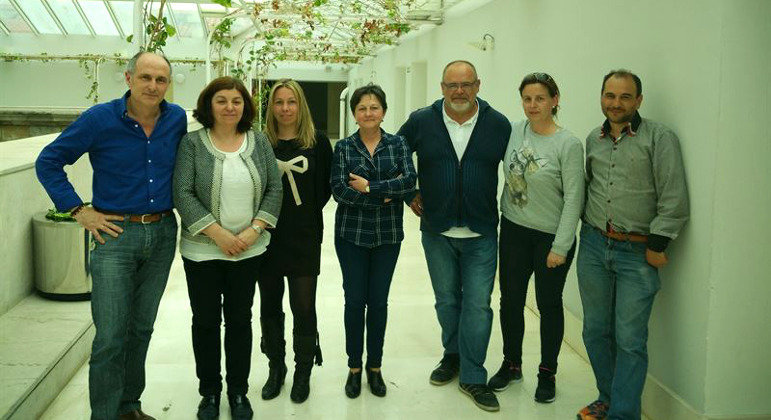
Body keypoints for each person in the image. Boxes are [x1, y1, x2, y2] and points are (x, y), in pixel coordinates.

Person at [35, 52, 187, 420]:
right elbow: (48, 161)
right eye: (146, 77)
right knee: (110, 336)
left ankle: (129, 406)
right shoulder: (100, 119)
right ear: (129, 78)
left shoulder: (176, 118)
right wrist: (78, 210)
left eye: (161, 79)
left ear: (168, 84)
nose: (153, 86)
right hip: (114, 237)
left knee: (141, 329)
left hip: (163, 232)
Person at [397, 60, 511, 412]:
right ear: (442, 87)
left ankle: (474, 375)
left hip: (481, 231)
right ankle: (453, 355)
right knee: (446, 300)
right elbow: (396, 152)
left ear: (478, 85)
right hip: (437, 228)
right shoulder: (421, 121)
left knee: (477, 305)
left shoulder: (497, 124)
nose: (458, 91)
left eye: (465, 84)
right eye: (451, 85)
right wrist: (408, 190)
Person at [576, 70, 689, 420]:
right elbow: (589, 188)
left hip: (637, 253)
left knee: (629, 340)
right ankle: (608, 398)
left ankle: (624, 414)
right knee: (595, 331)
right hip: (594, 245)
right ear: (601, 97)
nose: (616, 103)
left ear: (638, 101)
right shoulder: (593, 139)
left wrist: (658, 244)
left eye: (625, 97)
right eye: (610, 95)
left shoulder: (659, 138)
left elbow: (674, 197)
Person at [172, 76, 282, 420]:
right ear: (209, 105)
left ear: (245, 106)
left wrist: (254, 231)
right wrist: (218, 234)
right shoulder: (192, 143)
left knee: (239, 321)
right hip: (202, 252)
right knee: (205, 322)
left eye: (236, 101)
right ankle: (209, 392)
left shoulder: (259, 141)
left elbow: (274, 190)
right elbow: (182, 192)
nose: (230, 107)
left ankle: (237, 392)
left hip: (248, 250)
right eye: (222, 100)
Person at [487, 72, 585, 403]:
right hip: (514, 229)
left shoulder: (568, 144)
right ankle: (512, 364)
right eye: (527, 98)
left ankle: (547, 372)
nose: (533, 105)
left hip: (550, 237)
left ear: (555, 100)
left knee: (548, 304)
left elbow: (574, 198)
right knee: (510, 301)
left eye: (540, 98)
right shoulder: (515, 130)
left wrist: (561, 246)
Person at [331, 83, 416, 399]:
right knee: (354, 301)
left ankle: (375, 368)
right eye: (362, 108)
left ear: (383, 111)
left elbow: (408, 182)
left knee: (378, 302)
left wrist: (368, 187)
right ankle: (354, 367)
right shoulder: (344, 148)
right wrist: (383, 194)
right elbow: (339, 190)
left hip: (387, 236)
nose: (368, 113)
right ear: (354, 114)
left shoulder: (398, 144)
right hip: (351, 236)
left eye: (374, 107)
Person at [258, 79, 332, 403]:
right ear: (271, 108)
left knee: (303, 305)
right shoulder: (260, 143)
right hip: (266, 236)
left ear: (300, 106)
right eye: (279, 102)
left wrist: (304, 217)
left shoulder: (317, 142)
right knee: (270, 304)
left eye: (291, 102)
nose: (285, 108)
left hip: (303, 235)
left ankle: (304, 370)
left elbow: (325, 188)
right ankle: (277, 368)